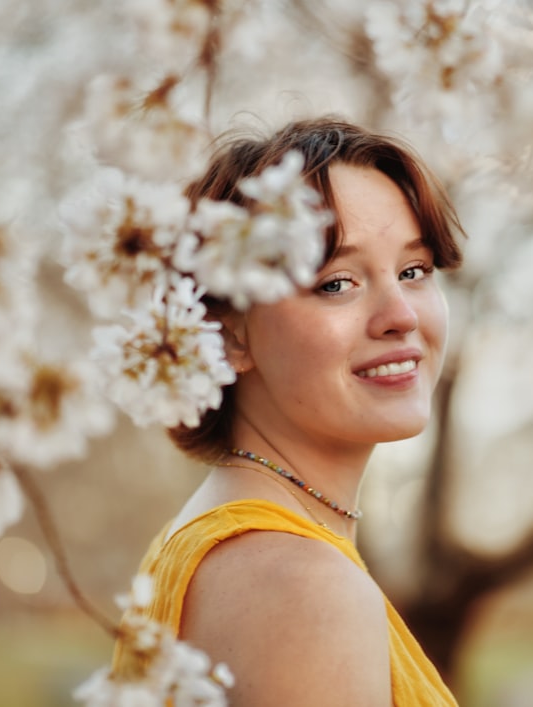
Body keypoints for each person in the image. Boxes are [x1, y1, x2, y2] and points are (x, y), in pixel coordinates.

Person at [112, 117, 464, 706]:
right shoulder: (302, 587)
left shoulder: (219, 544)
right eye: (336, 283)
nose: (400, 314)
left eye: (414, 271)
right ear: (227, 336)